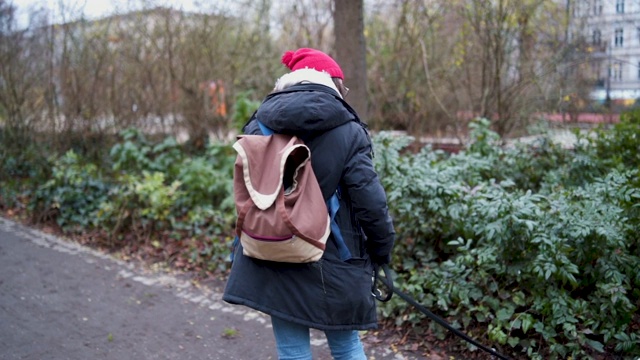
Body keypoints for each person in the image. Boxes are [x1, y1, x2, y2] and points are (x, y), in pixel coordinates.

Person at [223, 47, 396, 360]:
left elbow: (248, 190)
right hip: (335, 256)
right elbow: (370, 201)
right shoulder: (349, 129)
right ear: (334, 85)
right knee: (346, 347)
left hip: (273, 248)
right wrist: (382, 250)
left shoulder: (259, 123)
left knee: (292, 350)